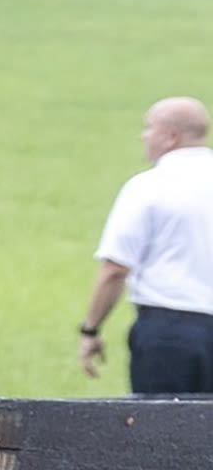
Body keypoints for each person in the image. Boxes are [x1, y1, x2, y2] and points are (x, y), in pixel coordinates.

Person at [81, 96, 213, 393]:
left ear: (171, 137)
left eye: (149, 127)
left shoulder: (148, 187)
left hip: (170, 334)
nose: (144, 135)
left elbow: (115, 269)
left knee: (162, 433)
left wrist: (91, 328)